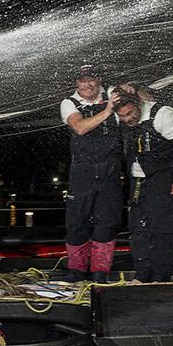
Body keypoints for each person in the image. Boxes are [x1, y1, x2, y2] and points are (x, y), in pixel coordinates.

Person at [113, 85, 173, 282]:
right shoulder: (121, 116)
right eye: (122, 116)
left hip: (163, 177)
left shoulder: (162, 114)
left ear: (139, 104)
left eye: (130, 113)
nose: (127, 119)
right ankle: (142, 275)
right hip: (138, 180)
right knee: (138, 228)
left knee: (162, 228)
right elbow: (114, 89)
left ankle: (162, 277)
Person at [59, 65, 123, 283]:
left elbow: (139, 97)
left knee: (107, 220)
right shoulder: (69, 103)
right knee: (77, 221)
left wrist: (131, 89)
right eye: (82, 81)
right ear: (76, 83)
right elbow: (80, 128)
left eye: (91, 80)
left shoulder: (112, 94)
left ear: (99, 80)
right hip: (82, 170)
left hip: (110, 169)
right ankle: (76, 270)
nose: (87, 85)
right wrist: (108, 111)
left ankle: (100, 272)